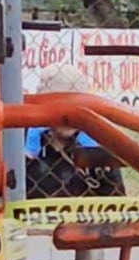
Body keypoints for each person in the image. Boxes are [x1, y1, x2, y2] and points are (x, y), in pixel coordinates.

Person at [25, 63, 126, 199]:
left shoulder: (97, 145)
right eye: (61, 107)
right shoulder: (21, 140)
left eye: (77, 107)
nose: (70, 116)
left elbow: (117, 203)